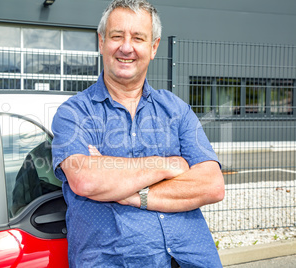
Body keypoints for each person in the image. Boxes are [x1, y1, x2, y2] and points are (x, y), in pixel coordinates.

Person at [51, 0, 225, 267]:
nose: (126, 47)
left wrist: (129, 193)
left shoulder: (176, 110)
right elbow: (85, 180)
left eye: (138, 38)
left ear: (153, 47)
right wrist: (167, 165)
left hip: (194, 258)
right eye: (117, 36)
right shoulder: (74, 113)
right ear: (101, 42)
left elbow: (211, 185)